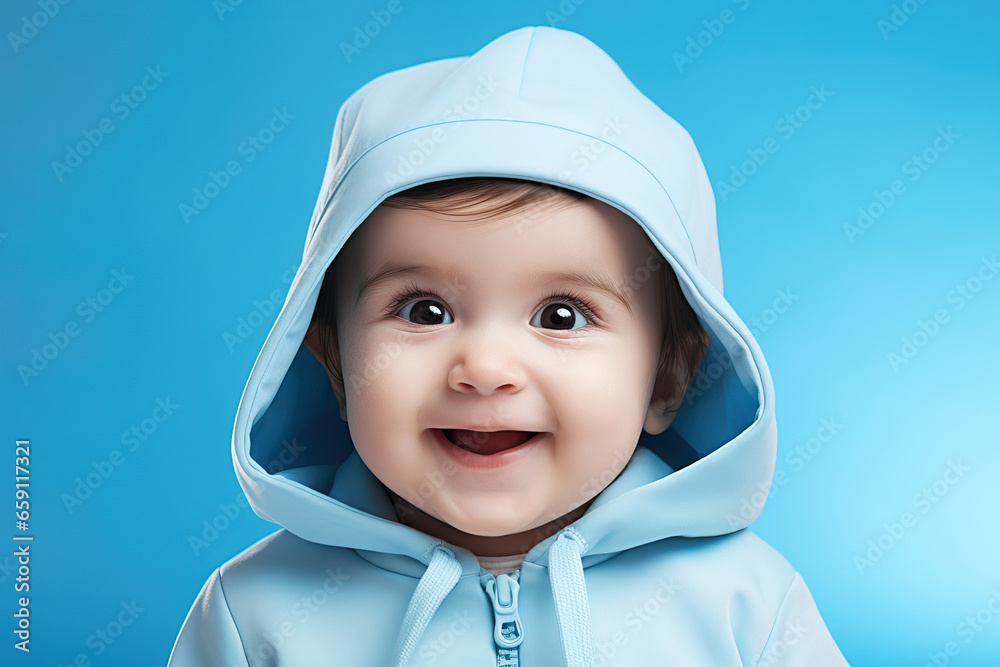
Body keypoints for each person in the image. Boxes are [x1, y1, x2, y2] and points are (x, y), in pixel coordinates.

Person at [167, 25, 850, 666]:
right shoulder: (254, 616)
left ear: (668, 377)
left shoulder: (745, 607)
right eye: (425, 310)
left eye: (561, 316)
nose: (486, 369)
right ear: (337, 365)